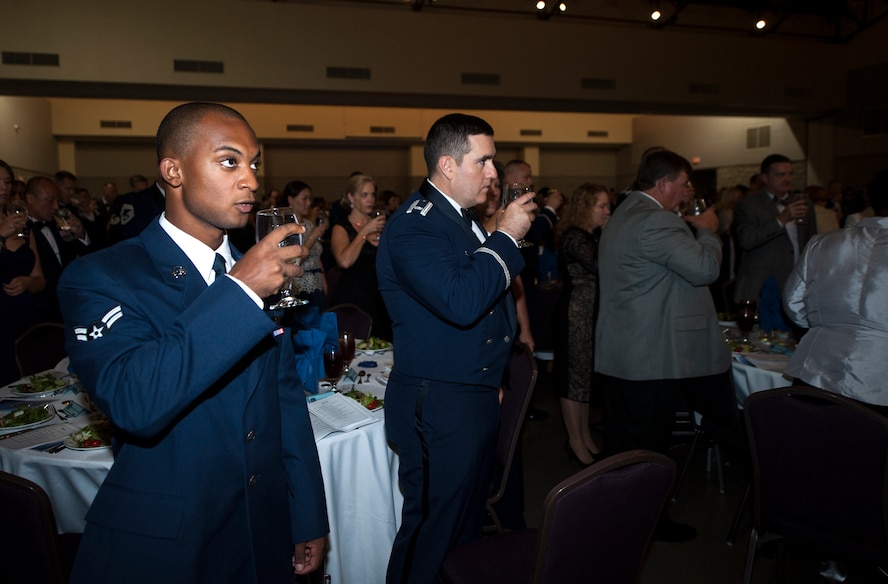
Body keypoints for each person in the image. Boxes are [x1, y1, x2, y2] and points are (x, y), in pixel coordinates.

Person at [58, 102, 328, 583]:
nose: (249, 179)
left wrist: (306, 512)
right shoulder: (102, 275)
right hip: (170, 544)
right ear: (173, 170)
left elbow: (284, 399)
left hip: (262, 530)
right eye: (229, 161)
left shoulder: (260, 270)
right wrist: (241, 292)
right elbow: (134, 400)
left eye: (254, 163)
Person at [376, 113, 534, 583]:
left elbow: (489, 301)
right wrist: (505, 236)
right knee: (432, 530)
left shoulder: (457, 219)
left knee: (463, 530)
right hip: (437, 401)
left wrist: (492, 379)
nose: (493, 172)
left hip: (470, 392)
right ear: (447, 164)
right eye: (483, 161)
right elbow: (463, 302)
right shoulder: (414, 225)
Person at [595, 149, 729, 542]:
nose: (688, 192)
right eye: (684, 184)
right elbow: (706, 269)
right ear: (663, 183)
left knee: (624, 445)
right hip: (650, 356)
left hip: (626, 352)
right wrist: (707, 230)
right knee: (649, 449)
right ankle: (647, 522)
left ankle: (618, 514)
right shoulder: (655, 220)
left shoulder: (625, 213)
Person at [783, 169, 888, 413]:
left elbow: (794, 305)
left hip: (815, 372)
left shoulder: (823, 242)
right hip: (878, 386)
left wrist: (828, 325)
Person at [553, 183, 611, 467]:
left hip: (589, 315)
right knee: (572, 379)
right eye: (601, 205)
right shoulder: (575, 237)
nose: (607, 211)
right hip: (576, 315)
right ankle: (574, 440)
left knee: (584, 379)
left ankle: (584, 434)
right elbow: (605, 267)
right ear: (586, 207)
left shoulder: (591, 235)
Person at [732, 154, 816, 305]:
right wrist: (781, 219)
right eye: (780, 175)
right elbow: (746, 240)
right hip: (761, 286)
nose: (787, 179)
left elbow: (811, 241)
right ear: (765, 178)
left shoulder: (803, 203)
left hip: (796, 284)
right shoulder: (749, 205)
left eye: (790, 174)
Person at [329, 173, 391, 339]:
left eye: (372, 194)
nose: (370, 199)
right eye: (364, 195)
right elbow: (344, 261)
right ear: (351, 197)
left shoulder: (378, 225)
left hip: (379, 297)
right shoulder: (341, 227)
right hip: (353, 297)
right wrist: (364, 232)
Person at [0, 159, 46, 384]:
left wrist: (28, 282)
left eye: (7, 181)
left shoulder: (20, 223)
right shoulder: (6, 227)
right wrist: (1, 235)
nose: (3, 187)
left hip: (24, 316)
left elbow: (40, 279)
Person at [25, 176, 92, 323]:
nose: (55, 207)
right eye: (49, 201)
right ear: (30, 198)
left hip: (67, 305)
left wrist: (80, 234)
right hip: (38, 310)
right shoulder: (21, 229)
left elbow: (84, 257)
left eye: (57, 201)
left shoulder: (58, 224)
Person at [284, 180, 328, 309]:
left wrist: (324, 282)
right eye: (304, 199)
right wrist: (312, 237)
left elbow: (316, 257)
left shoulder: (309, 224)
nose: (308, 203)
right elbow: (295, 261)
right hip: (299, 287)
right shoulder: (286, 227)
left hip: (317, 284)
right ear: (291, 200)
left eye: (309, 199)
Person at [107, 177, 166, 243]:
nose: (143, 194)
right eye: (139, 191)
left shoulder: (151, 203)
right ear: (131, 189)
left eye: (145, 190)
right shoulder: (125, 202)